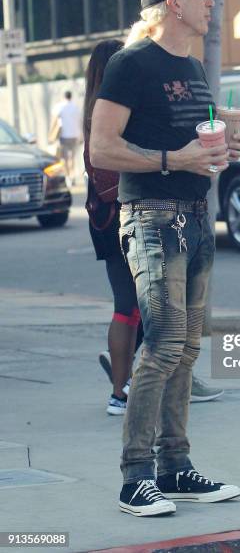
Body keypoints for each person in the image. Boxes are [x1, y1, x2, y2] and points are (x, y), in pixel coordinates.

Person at [90, 0, 240, 516]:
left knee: (186, 348)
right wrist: (170, 159)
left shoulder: (194, 66)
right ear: (174, 3)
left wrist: (226, 142)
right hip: (151, 218)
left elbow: (196, 140)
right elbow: (100, 148)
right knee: (161, 345)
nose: (211, 2)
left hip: (196, 217)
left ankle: (175, 468)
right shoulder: (131, 64)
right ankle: (136, 478)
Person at [83, 39, 141, 417]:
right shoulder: (115, 113)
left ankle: (119, 393)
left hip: (104, 222)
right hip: (129, 218)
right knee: (147, 309)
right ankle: (137, 386)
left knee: (127, 310)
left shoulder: (91, 112)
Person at [49, 91, 81, 184]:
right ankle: (73, 176)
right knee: (72, 157)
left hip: (64, 136)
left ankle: (68, 178)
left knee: (65, 158)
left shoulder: (60, 106)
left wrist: (50, 134)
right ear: (71, 97)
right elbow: (80, 121)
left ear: (64, 97)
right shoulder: (76, 107)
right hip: (75, 136)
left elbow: (54, 121)